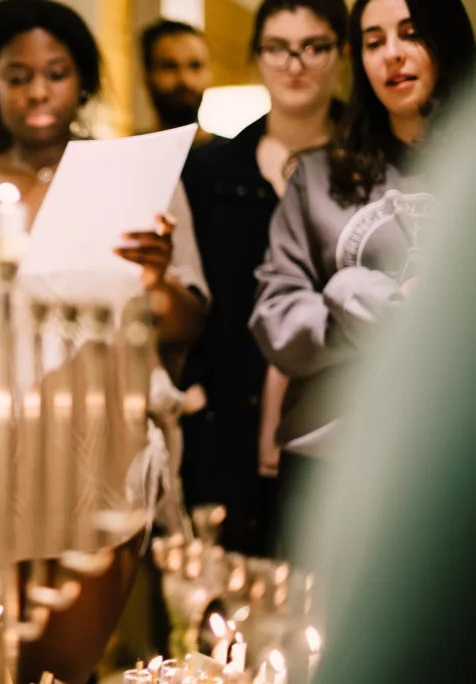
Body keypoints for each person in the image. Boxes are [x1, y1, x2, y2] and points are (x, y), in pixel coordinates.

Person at [0, 2, 207, 682]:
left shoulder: (135, 183)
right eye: (18, 76)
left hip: (101, 459)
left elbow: (186, 327)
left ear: (82, 81)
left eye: (56, 74)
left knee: (67, 664)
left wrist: (155, 280)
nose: (37, 92)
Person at [249, 0, 475, 565]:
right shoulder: (319, 175)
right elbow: (275, 318)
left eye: (411, 33)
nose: (391, 55)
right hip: (331, 459)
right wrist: (365, 300)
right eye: (374, 41)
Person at [180, 0, 348, 556]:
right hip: (228, 423)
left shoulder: (373, 163)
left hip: (339, 424)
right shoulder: (208, 171)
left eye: (314, 47)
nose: (294, 64)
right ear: (257, 56)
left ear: (342, 54)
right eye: (277, 48)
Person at [138, 19, 216, 147]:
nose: (185, 80)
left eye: (195, 66)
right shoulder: (126, 153)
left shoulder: (236, 155)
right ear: (146, 76)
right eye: (170, 66)